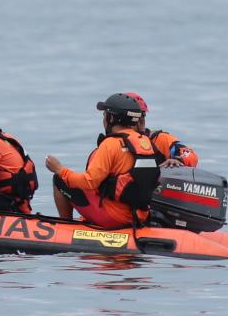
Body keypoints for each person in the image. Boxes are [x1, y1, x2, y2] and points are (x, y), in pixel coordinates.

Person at [44, 93, 163, 229]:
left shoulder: (110, 144)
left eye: (104, 115)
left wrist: (59, 169)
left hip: (115, 217)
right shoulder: (146, 142)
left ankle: (64, 227)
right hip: (140, 215)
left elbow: (89, 182)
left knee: (60, 179)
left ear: (110, 117)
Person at [125, 92, 199, 168]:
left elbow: (191, 156)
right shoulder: (115, 142)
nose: (142, 121)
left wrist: (177, 160)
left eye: (142, 117)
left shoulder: (160, 139)